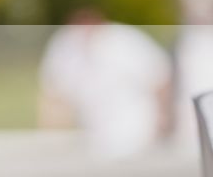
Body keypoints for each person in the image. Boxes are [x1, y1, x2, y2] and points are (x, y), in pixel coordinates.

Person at [39, 9, 171, 160]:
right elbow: (53, 95)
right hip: (95, 142)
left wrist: (163, 118)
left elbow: (160, 76)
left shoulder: (126, 42)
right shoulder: (64, 46)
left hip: (137, 136)